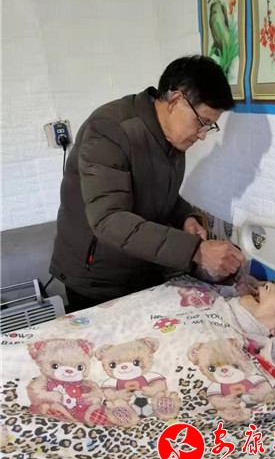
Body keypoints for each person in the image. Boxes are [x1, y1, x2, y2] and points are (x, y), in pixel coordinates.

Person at [49, 55, 245, 312]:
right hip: (95, 276)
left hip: (139, 265)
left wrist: (186, 217)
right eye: (202, 123)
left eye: (209, 127)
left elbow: (157, 193)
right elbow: (109, 220)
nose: (202, 135)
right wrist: (196, 251)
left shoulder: (172, 137)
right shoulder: (109, 129)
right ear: (175, 101)